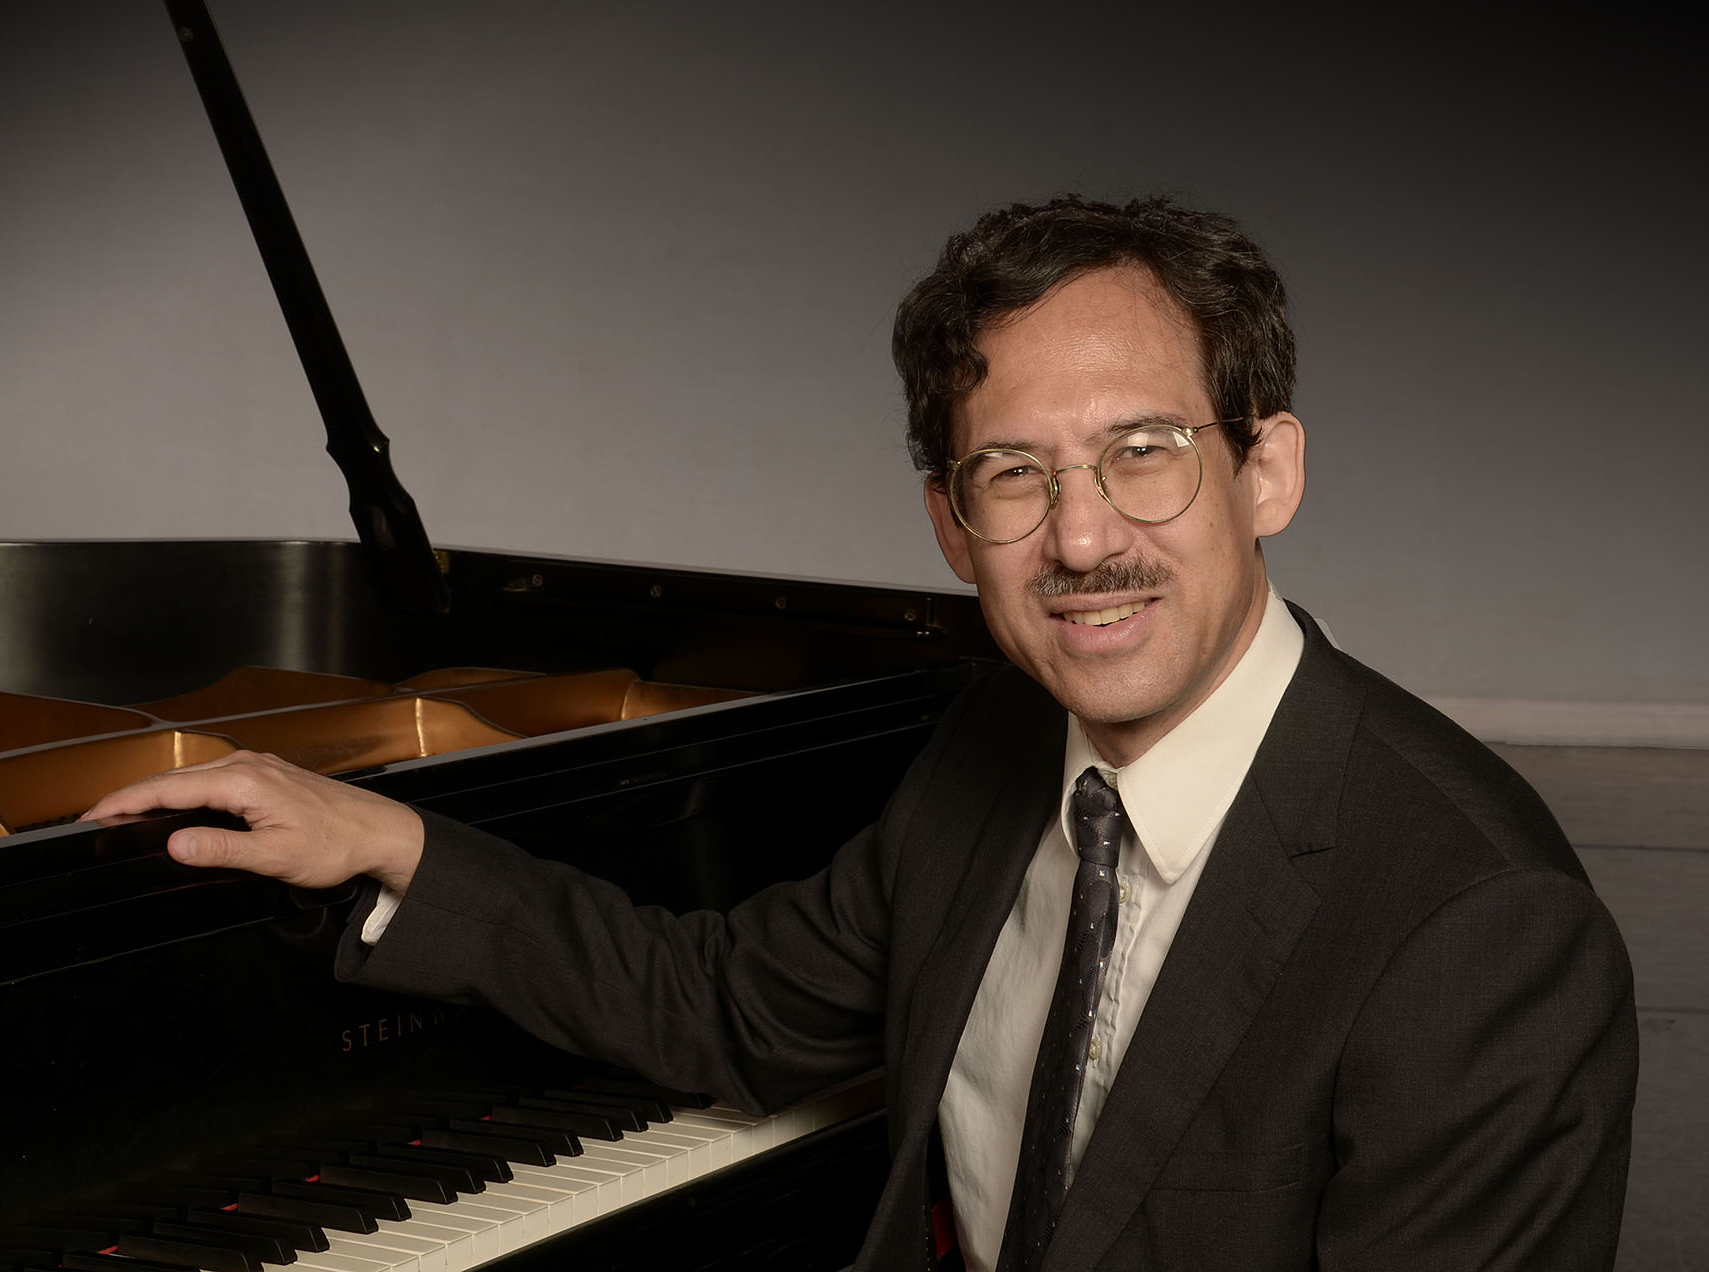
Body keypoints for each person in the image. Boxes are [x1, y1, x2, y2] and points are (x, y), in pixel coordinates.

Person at [83, 193, 1637, 1270]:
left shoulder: (1476, 925)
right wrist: (390, 840)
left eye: (1144, 452)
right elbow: (728, 1008)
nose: (1081, 537)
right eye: (1014, 475)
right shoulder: (994, 751)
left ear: (1267, 471)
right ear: (952, 528)